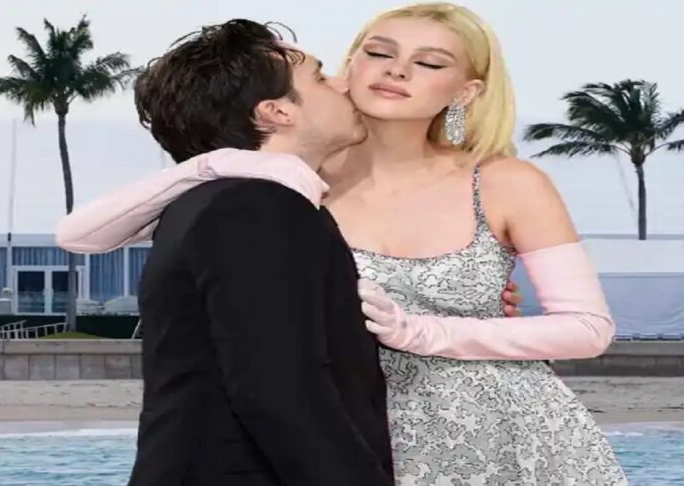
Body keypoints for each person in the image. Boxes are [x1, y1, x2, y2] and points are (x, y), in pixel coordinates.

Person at [57, 4, 626, 485]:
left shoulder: (505, 182)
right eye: (378, 52)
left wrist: (429, 329)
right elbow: (85, 233)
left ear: (466, 91)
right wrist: (209, 163)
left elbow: (587, 327)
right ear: (350, 65)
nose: (397, 70)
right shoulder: (284, 185)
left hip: (510, 432)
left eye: (429, 63)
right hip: (361, 436)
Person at [105, 20, 394, 486]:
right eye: (320, 77)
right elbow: (279, 389)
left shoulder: (225, 204)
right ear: (277, 112)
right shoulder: (255, 207)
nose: (344, 84)